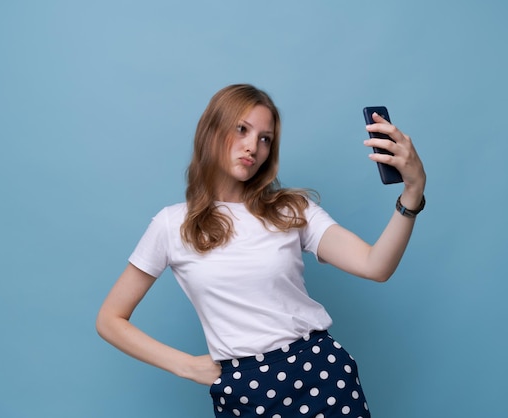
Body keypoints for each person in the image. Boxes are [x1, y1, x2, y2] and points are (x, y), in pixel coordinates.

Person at [96, 84, 426, 418]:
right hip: (244, 391)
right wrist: (186, 366)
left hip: (322, 376)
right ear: (212, 130)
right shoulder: (171, 224)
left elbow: (375, 266)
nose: (253, 146)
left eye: (265, 138)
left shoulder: (292, 210)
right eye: (241, 129)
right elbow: (110, 319)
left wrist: (413, 192)